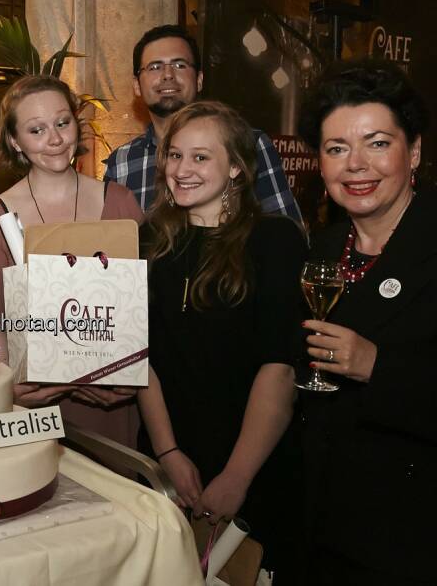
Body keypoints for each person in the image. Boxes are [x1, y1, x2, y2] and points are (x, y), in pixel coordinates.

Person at [137, 101, 305, 581]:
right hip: (167, 458)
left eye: (200, 157)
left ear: (236, 166)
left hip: (254, 462)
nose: (182, 170)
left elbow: (280, 367)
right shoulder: (148, 240)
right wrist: (167, 455)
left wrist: (237, 476)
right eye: (174, 156)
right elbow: (139, 355)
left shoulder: (275, 241)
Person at [297, 61, 434, 585]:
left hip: (412, 537)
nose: (355, 165)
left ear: (414, 151)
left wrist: (378, 365)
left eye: (377, 143)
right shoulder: (325, 249)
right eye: (336, 149)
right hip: (324, 523)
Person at [0, 75, 143, 444]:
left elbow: (143, 307)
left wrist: (133, 373)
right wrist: (8, 385)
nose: (55, 139)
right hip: (34, 412)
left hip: (113, 405)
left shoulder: (121, 203)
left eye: (62, 123)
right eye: (37, 130)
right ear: (15, 141)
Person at [104, 24, 301, 222]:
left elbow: (288, 237)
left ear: (199, 79)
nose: (168, 75)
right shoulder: (122, 162)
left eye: (180, 65)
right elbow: (108, 247)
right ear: (136, 85)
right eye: (155, 67)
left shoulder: (247, 143)